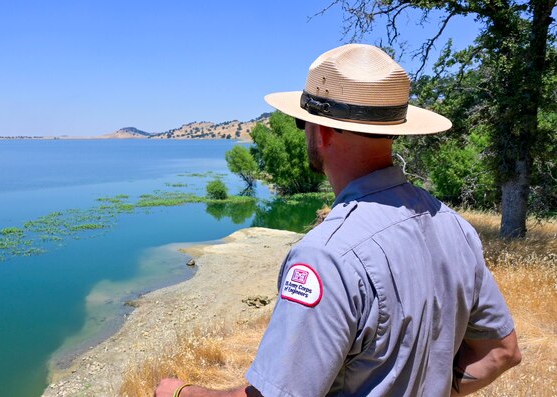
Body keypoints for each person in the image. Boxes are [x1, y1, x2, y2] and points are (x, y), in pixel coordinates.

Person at [155, 44, 521, 397]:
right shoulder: (454, 226)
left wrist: (181, 392)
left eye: (303, 123)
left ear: (322, 131)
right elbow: (502, 352)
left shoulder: (326, 256)